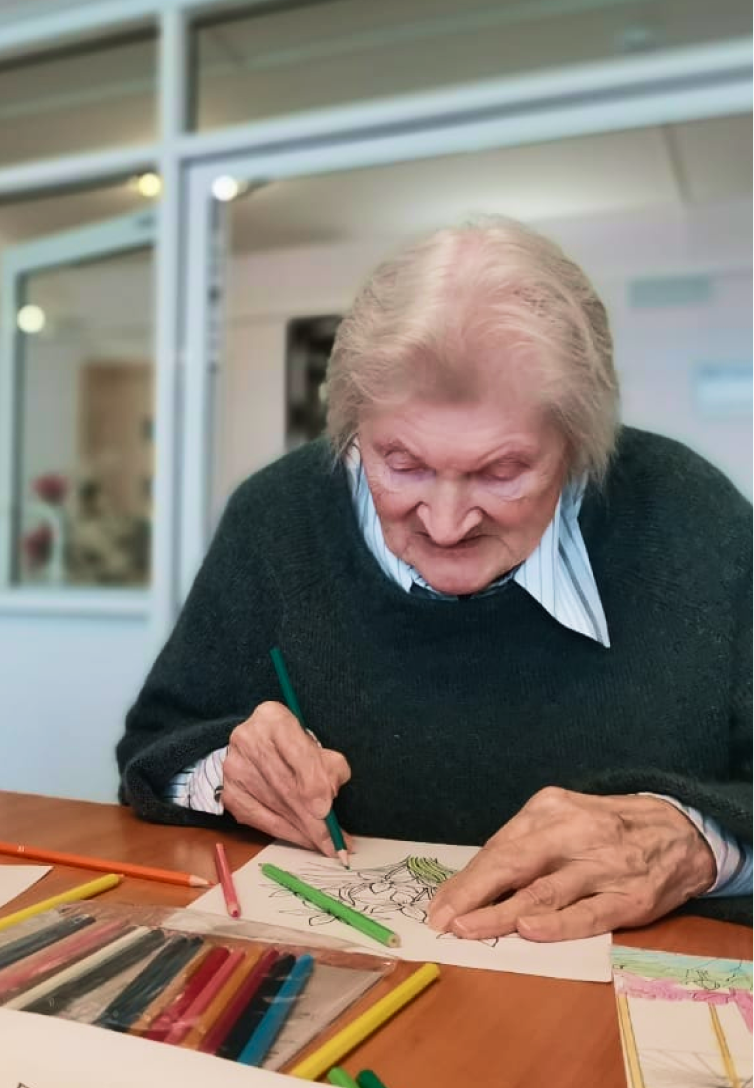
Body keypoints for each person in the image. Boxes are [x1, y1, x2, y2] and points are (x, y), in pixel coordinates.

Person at [118, 216, 753, 935]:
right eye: (402, 464)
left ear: (577, 442)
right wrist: (225, 768)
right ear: (353, 427)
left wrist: (699, 841)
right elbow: (153, 747)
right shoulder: (279, 514)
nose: (447, 524)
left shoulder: (694, 519)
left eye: (502, 470)